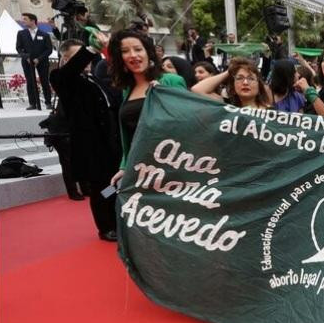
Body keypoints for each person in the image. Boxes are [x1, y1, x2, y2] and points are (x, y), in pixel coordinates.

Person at [49, 37, 121, 241]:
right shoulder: (61, 78)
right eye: (77, 56)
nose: (86, 60)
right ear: (65, 58)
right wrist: (91, 48)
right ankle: (105, 227)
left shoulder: (92, 78)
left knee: (111, 186)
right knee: (100, 189)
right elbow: (69, 72)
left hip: (109, 143)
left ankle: (115, 221)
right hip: (91, 147)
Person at [108, 29, 188, 187]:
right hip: (140, 170)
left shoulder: (171, 81)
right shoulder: (127, 90)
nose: (133, 55)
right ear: (120, 58)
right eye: (125, 51)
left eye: (138, 49)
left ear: (148, 53)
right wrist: (124, 167)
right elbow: (131, 135)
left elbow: (189, 123)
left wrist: (164, 98)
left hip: (173, 169)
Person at [192, 57, 269, 109]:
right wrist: (229, 71)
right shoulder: (228, 107)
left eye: (251, 78)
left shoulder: (271, 113)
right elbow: (197, 90)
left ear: (259, 84)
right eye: (239, 78)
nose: (245, 82)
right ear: (233, 85)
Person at [16, 13, 53, 110]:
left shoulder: (44, 35)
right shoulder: (21, 33)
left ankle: (48, 102)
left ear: (32, 21)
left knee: (44, 80)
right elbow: (19, 48)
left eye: (25, 19)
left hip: (42, 61)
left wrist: (39, 59)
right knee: (30, 81)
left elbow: (49, 49)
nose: (23, 21)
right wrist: (26, 57)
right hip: (27, 61)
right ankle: (33, 103)